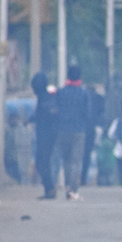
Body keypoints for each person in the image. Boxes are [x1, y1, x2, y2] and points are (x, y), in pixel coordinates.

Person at [55, 65, 90, 201]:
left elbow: (56, 110)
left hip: (63, 130)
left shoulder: (61, 92)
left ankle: (68, 184)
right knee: (75, 161)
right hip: (79, 130)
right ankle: (72, 187)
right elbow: (88, 113)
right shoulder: (83, 94)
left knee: (66, 160)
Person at [27, 72, 59, 199]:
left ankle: (50, 188)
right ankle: (49, 188)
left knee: (42, 162)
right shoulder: (45, 97)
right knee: (42, 162)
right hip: (45, 134)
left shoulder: (45, 98)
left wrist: (31, 119)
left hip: (46, 135)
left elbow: (44, 114)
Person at [81, 85, 105, 186]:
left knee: (75, 156)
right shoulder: (99, 98)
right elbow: (102, 111)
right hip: (92, 128)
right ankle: (83, 178)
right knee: (88, 154)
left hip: (80, 128)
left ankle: (74, 178)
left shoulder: (82, 96)